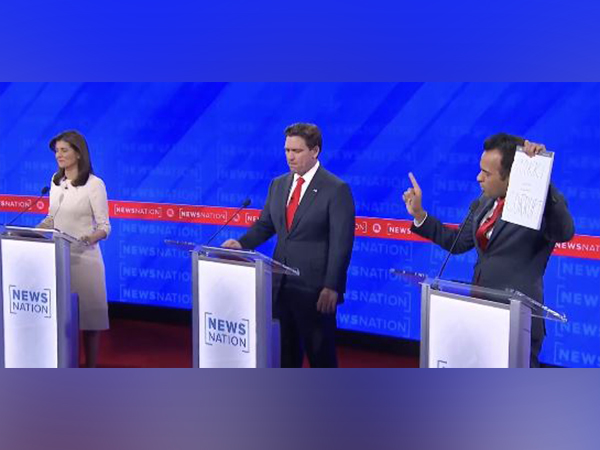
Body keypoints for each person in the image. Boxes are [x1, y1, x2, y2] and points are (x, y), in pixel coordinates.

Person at [402, 133, 575, 367]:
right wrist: (420, 216)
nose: (478, 178)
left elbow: (564, 232)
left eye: (487, 173)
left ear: (510, 176)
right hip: (481, 314)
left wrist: (541, 177)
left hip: (516, 320)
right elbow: (458, 242)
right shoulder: (484, 203)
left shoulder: (539, 208)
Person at [223, 123, 355, 368]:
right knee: (284, 356)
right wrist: (240, 243)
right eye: (287, 151)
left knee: (321, 359)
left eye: (297, 151)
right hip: (280, 286)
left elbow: (342, 243)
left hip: (315, 291)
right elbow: (266, 225)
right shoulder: (278, 184)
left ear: (315, 151)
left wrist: (332, 286)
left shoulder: (336, 189)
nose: (290, 157)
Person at [39, 130, 111, 368]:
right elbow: (52, 218)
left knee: (89, 323)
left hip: (85, 260)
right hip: (59, 261)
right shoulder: (56, 181)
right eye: (56, 151)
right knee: (62, 320)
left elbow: (105, 227)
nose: (58, 155)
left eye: (64, 150)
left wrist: (90, 237)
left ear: (78, 153)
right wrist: (37, 230)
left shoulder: (94, 185)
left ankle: (89, 370)